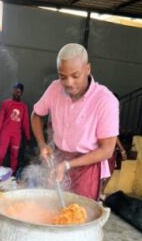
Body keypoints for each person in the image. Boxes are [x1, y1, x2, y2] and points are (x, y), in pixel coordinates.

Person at [31, 43, 119, 200]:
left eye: (75, 75)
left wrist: (68, 165)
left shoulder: (106, 100)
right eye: (62, 76)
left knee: (78, 216)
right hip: (58, 159)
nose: (68, 83)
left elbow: (106, 150)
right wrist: (42, 144)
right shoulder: (54, 88)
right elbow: (36, 115)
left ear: (88, 69)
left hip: (87, 167)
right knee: (52, 209)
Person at [0, 82, 30, 173]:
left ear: (21, 93)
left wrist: (28, 137)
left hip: (16, 135)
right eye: (15, 90)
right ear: (12, 91)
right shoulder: (6, 103)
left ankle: (12, 175)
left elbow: (25, 123)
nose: (16, 93)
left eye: (19, 91)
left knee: (14, 156)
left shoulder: (23, 106)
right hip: (5, 133)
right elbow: (1, 119)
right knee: (0, 154)